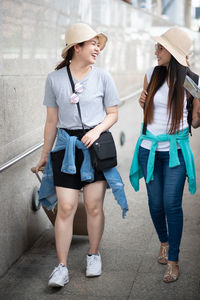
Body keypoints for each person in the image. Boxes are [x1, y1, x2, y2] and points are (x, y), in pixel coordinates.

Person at [36, 22, 128, 288]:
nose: (97, 48)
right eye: (92, 44)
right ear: (76, 47)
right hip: (66, 147)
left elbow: (113, 113)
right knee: (65, 207)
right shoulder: (54, 79)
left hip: (95, 146)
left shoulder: (103, 77)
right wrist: (44, 154)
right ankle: (61, 266)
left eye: (98, 44)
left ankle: (93, 254)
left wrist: (97, 131)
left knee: (93, 206)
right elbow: (51, 121)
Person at [129, 27, 200, 283]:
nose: (156, 51)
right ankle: (164, 241)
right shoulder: (150, 74)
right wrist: (142, 103)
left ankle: (174, 260)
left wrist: (199, 108)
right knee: (155, 204)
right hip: (149, 150)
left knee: (171, 204)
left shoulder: (191, 80)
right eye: (157, 47)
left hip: (175, 153)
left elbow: (194, 122)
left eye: (161, 48)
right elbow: (149, 114)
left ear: (174, 52)